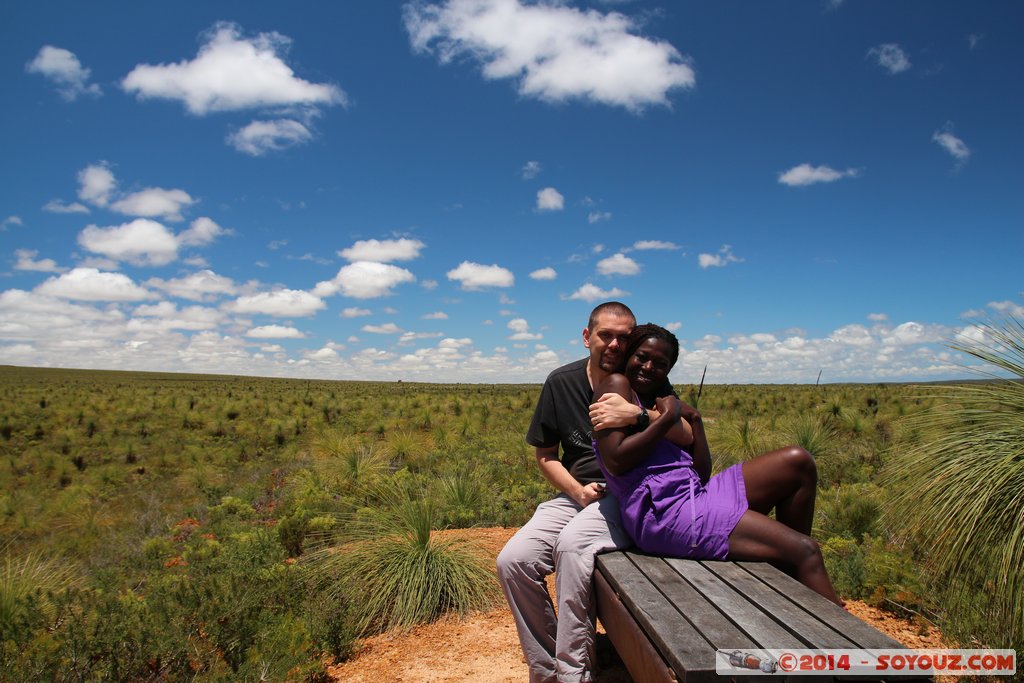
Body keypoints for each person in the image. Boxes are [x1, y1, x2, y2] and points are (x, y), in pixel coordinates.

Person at [593, 323, 841, 605]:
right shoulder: (617, 386)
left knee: (798, 462)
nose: (648, 367)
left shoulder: (657, 398)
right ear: (629, 356)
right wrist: (664, 419)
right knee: (806, 551)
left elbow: (700, 473)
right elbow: (615, 461)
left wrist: (695, 420)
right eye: (642, 357)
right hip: (662, 514)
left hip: (693, 495)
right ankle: (842, 641)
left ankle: (794, 579)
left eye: (660, 364)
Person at [496, 302, 675, 683]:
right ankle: (546, 671)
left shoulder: (644, 379)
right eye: (605, 335)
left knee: (573, 547)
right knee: (513, 561)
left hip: (630, 493)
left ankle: (576, 674)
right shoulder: (562, 383)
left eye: (623, 337)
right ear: (586, 337)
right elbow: (546, 456)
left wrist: (640, 415)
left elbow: (680, 424)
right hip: (578, 494)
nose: (613, 344)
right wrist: (577, 491)